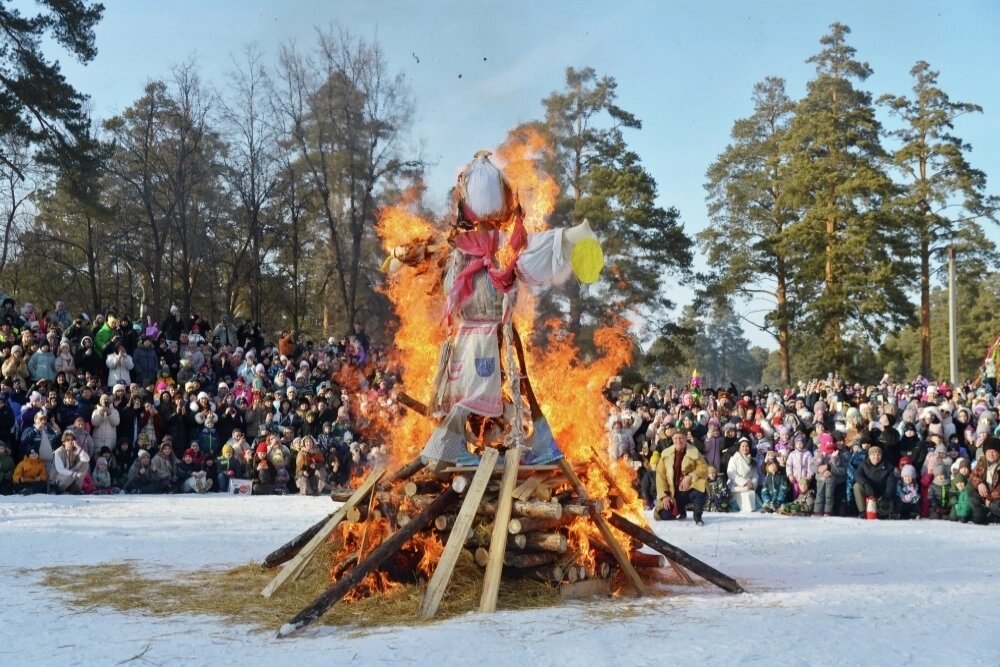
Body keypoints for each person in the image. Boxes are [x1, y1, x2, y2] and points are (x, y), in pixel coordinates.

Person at [654, 428, 708, 525]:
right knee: (665, 515)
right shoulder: (666, 454)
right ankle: (680, 509)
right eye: (676, 438)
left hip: (689, 489)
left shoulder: (694, 451)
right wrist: (664, 496)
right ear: (672, 439)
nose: (678, 441)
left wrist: (690, 476)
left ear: (686, 438)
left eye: (681, 438)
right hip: (673, 493)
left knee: (701, 489)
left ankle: (697, 516)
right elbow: (660, 476)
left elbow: (704, 469)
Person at [853, 445, 897, 518]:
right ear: (869, 456)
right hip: (868, 490)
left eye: (878, 455)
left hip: (882, 492)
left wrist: (886, 496)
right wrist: (865, 484)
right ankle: (863, 511)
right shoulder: (863, 464)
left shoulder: (888, 466)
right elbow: (857, 475)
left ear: (881, 455)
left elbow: (891, 483)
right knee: (856, 486)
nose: (876, 457)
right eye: (873, 455)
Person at [969, 437, 1000, 525]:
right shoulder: (982, 461)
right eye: (989, 451)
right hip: (986, 490)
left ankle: (994, 515)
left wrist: (990, 497)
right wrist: (979, 483)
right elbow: (973, 476)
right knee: (970, 488)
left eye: (994, 451)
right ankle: (980, 515)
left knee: (995, 506)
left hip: (996, 495)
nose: (991, 454)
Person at [726, 436, 757, 513]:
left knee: (750, 493)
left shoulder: (752, 460)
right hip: (736, 485)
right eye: (742, 446)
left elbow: (755, 475)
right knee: (746, 495)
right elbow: (731, 473)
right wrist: (744, 483)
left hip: (749, 486)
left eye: (747, 446)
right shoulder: (733, 459)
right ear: (739, 448)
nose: (745, 448)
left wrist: (752, 484)